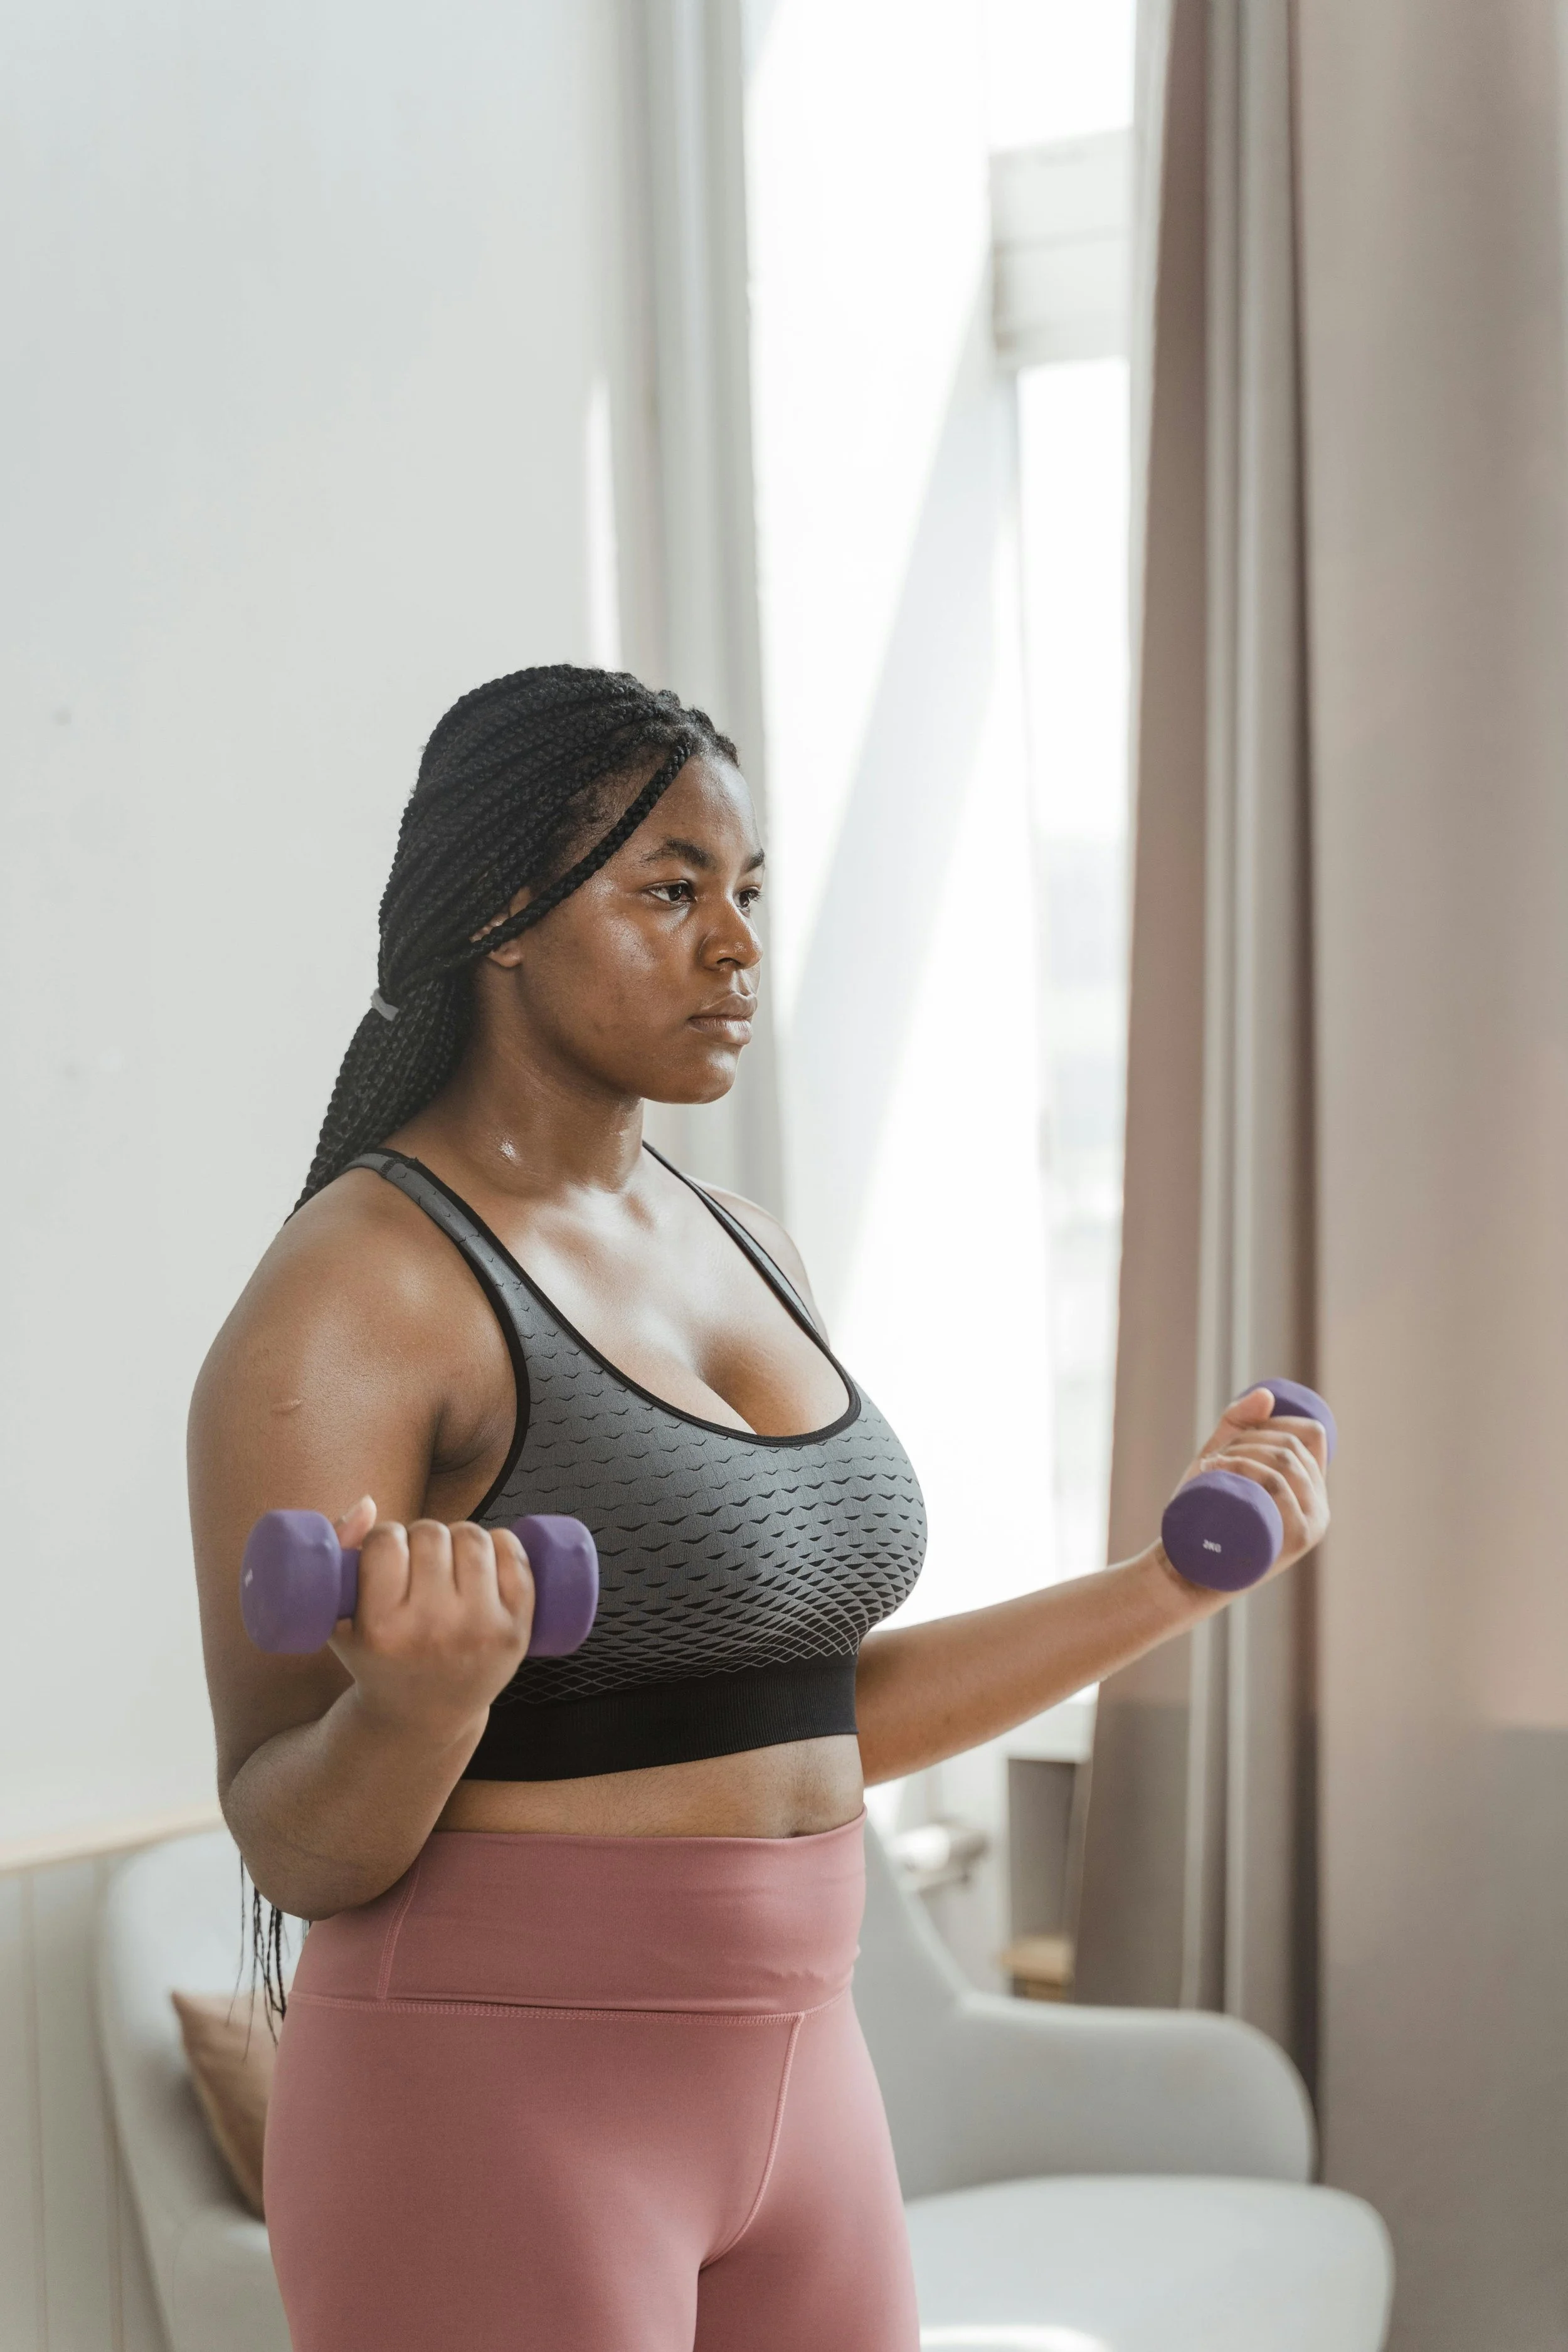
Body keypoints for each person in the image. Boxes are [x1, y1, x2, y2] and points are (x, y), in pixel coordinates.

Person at [189, 665, 1330, 2352]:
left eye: (747, 891)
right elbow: (289, 1833)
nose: (735, 943)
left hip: (804, 2070)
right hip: (494, 2093)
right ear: (502, 913)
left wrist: (1164, 1581)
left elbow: (815, 1712)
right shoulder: (361, 1290)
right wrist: (423, 1704)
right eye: (669, 890)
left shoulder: (741, 1241)